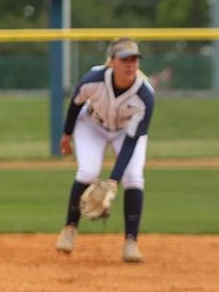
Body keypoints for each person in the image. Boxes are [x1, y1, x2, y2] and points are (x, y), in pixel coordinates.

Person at [54, 38, 155, 263]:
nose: (130, 64)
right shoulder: (93, 80)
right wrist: (66, 135)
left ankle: (131, 243)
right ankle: (69, 229)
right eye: (125, 59)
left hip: (126, 132)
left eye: (134, 59)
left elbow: (131, 142)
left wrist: (113, 180)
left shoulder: (145, 96)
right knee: (88, 172)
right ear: (112, 62)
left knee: (134, 178)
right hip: (92, 126)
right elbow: (76, 104)